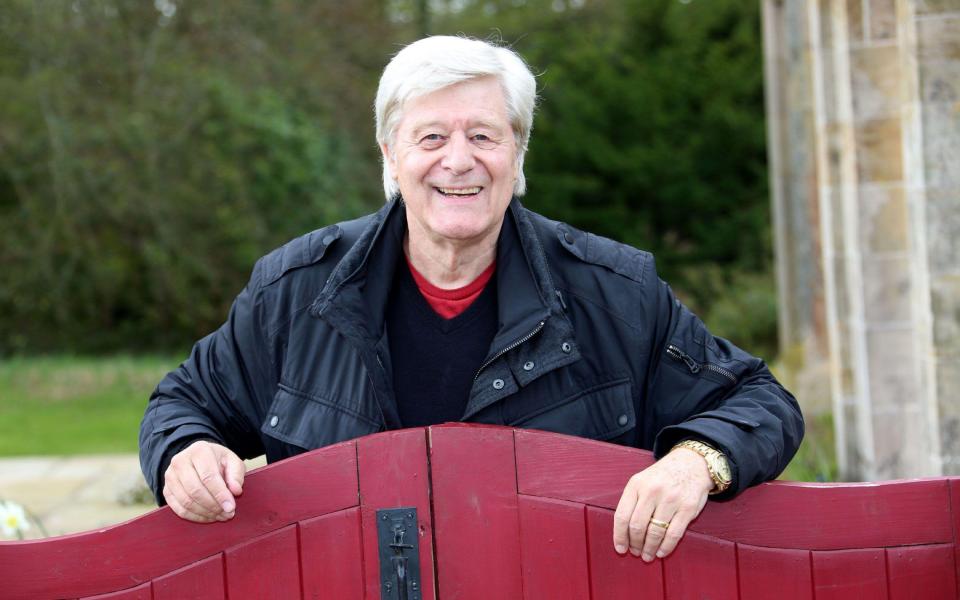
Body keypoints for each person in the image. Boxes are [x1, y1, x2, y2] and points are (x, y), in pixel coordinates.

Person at [139, 35, 803, 564]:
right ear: (390, 154)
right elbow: (183, 404)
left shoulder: (614, 291)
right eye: (432, 137)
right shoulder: (297, 291)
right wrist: (185, 454)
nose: (459, 160)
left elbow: (761, 402)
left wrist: (697, 462)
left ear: (517, 155)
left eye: (484, 135)